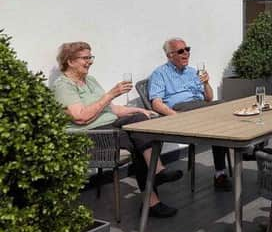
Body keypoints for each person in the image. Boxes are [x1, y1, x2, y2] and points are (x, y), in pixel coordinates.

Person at [52, 42, 181, 218]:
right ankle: (153, 193)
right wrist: (110, 94)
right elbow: (80, 117)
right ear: (70, 61)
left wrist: (138, 110)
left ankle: (157, 174)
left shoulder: (90, 80)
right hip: (90, 135)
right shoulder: (64, 85)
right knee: (138, 141)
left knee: (142, 122)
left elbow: (111, 110)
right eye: (85, 58)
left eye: (91, 57)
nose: (90, 61)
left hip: (109, 126)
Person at [148, 37, 232, 191]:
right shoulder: (160, 74)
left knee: (224, 111)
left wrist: (206, 83)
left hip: (200, 108)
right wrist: (176, 116)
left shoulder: (193, 72)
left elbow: (208, 98)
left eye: (188, 49)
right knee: (220, 111)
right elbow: (156, 103)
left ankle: (222, 172)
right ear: (169, 56)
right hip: (182, 109)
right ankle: (243, 154)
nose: (186, 53)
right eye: (181, 51)